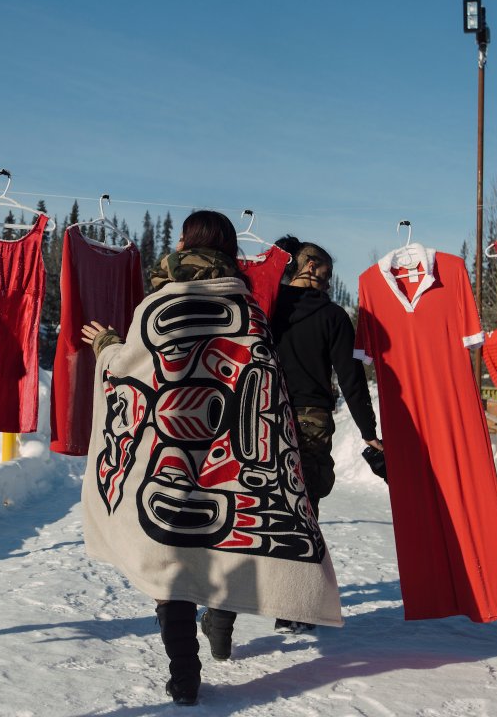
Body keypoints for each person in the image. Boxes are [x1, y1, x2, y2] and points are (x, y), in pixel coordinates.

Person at [81, 211, 342, 706]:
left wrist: (106, 344)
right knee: (217, 543)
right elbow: (264, 385)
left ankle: (184, 675)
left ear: (182, 243)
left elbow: (129, 371)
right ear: (229, 250)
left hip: (167, 450)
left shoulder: (157, 306)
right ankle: (219, 623)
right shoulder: (249, 310)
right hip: (227, 456)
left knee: (169, 557)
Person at [270, 236, 383, 632]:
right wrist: (369, 432)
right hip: (311, 420)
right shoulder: (334, 317)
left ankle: (231, 608)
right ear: (313, 267)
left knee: (264, 508)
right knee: (305, 510)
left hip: (264, 415)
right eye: (329, 272)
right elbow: (351, 378)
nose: (331, 280)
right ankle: (294, 608)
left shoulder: (267, 306)